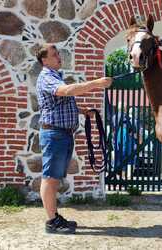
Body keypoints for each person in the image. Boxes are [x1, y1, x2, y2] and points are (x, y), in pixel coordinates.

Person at [35, 44, 112, 234]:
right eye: (54, 55)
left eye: (58, 54)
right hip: (55, 135)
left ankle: (55, 217)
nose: (59, 57)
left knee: (55, 177)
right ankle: (52, 222)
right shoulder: (46, 77)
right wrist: (96, 83)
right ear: (44, 60)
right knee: (50, 178)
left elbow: (60, 102)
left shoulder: (55, 76)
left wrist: (82, 111)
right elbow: (66, 91)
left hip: (62, 134)